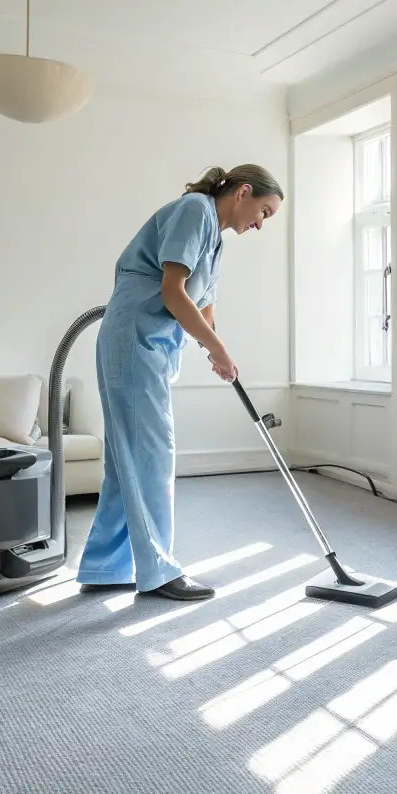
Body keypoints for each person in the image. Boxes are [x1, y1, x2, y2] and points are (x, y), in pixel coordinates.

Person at [76, 164, 284, 601]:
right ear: (243, 192)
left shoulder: (215, 239)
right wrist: (217, 348)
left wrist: (217, 350)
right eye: (264, 211)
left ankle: (106, 566)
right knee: (152, 452)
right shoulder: (195, 210)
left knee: (127, 456)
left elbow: (202, 303)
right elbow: (173, 291)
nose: (261, 224)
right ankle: (159, 571)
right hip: (134, 336)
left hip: (150, 342)